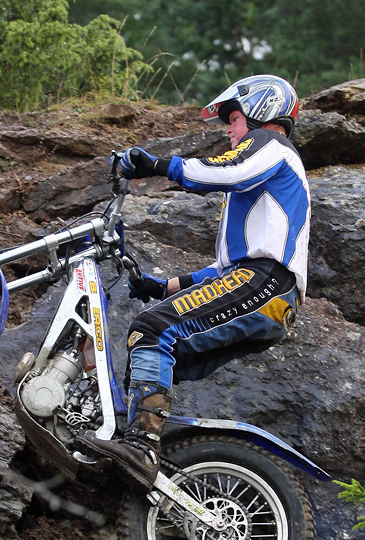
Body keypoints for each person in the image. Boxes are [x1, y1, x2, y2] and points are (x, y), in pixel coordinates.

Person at [83, 74, 310, 489]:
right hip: (266, 291)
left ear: (259, 113)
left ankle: (142, 446)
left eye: (234, 119)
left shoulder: (270, 145)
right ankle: (135, 445)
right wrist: (162, 286)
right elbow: (225, 275)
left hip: (265, 283)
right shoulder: (268, 185)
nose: (229, 131)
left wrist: (157, 165)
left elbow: (228, 172)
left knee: (152, 329)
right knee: (152, 355)